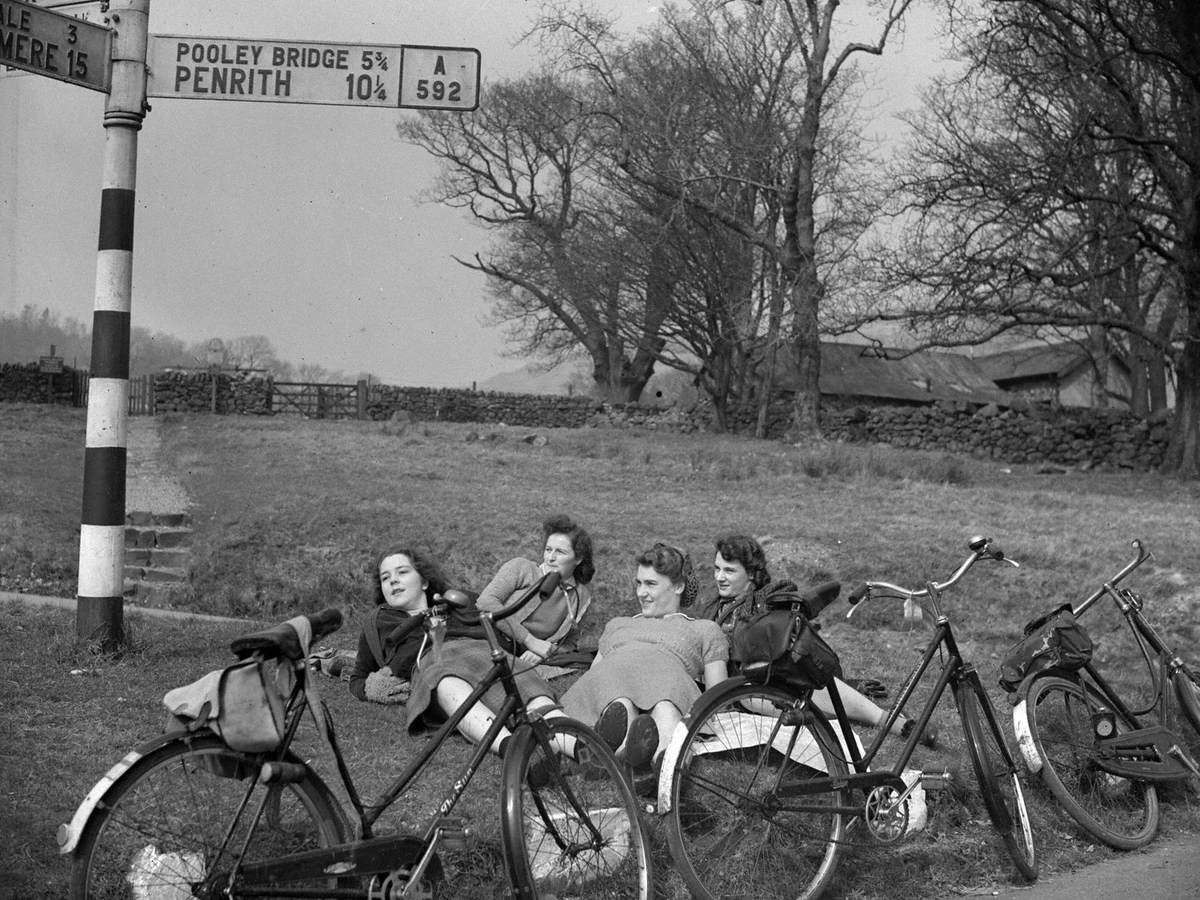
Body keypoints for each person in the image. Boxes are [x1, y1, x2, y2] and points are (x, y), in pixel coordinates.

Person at [697, 533, 933, 744]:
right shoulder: (712, 607)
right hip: (744, 691)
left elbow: (790, 630)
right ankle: (863, 711)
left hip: (776, 675)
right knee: (759, 698)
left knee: (800, 685)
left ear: (750, 574)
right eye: (717, 569)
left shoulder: (769, 596)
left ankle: (891, 722)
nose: (720, 577)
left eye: (729, 571)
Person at [404, 514, 596, 755]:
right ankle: (510, 744)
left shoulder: (581, 595)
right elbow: (486, 602)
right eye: (548, 549)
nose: (551, 557)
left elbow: (569, 644)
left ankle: (583, 748)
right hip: (484, 636)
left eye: (560, 552)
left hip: (517, 655)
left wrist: (545, 651)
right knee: (475, 681)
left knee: (522, 690)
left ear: (578, 559)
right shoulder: (522, 568)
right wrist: (530, 641)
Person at [560, 543, 729, 776]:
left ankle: (664, 769)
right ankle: (625, 756)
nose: (641, 592)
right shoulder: (618, 624)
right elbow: (595, 675)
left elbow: (718, 696)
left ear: (678, 586)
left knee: (666, 707)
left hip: (666, 685)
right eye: (638, 583)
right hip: (615, 682)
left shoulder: (704, 629)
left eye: (651, 584)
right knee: (619, 705)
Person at [347, 547, 480, 705]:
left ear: (424, 582)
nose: (393, 580)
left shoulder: (458, 604)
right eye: (385, 578)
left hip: (485, 666)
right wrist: (371, 688)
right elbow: (357, 678)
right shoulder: (376, 624)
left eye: (402, 572)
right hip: (443, 685)